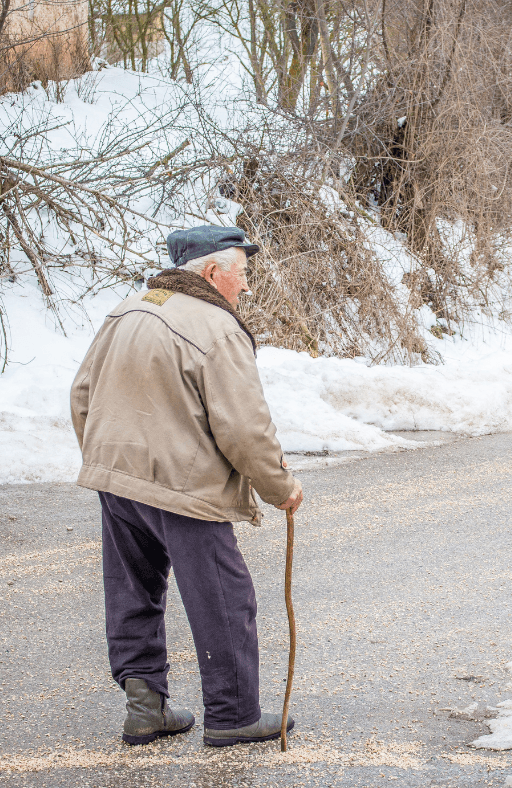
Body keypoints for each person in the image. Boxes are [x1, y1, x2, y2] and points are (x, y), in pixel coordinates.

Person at [70, 226, 303, 747]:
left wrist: (106, 458)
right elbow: (244, 426)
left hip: (117, 476)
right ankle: (234, 715)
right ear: (213, 272)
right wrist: (279, 486)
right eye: (241, 274)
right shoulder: (217, 327)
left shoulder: (126, 310)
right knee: (224, 597)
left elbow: (82, 393)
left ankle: (145, 707)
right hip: (182, 484)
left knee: (133, 591)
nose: (245, 287)